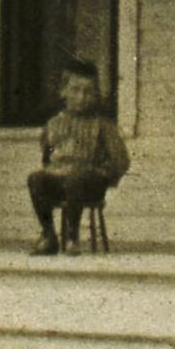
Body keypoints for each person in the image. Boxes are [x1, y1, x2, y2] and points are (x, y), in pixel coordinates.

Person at [27, 60, 131, 256]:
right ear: (63, 91)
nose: (82, 97)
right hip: (61, 178)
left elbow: (121, 161)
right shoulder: (54, 124)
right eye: (75, 90)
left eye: (88, 92)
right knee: (36, 179)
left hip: (90, 182)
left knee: (76, 179)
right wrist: (54, 169)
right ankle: (49, 235)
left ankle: (73, 238)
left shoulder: (103, 125)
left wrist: (103, 173)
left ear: (96, 94)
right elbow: (47, 155)